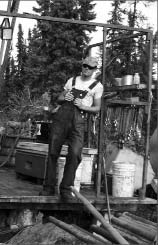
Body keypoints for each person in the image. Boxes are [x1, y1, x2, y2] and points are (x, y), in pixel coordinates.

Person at [41, 56, 103, 201]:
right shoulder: (72, 81)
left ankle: (65, 189)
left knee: (75, 154)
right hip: (61, 118)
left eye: (90, 67)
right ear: (82, 66)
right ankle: (48, 187)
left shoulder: (97, 86)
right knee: (52, 152)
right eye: (85, 65)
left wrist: (83, 106)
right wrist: (65, 97)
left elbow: (97, 108)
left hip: (79, 119)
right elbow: (59, 99)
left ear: (94, 70)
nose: (86, 68)